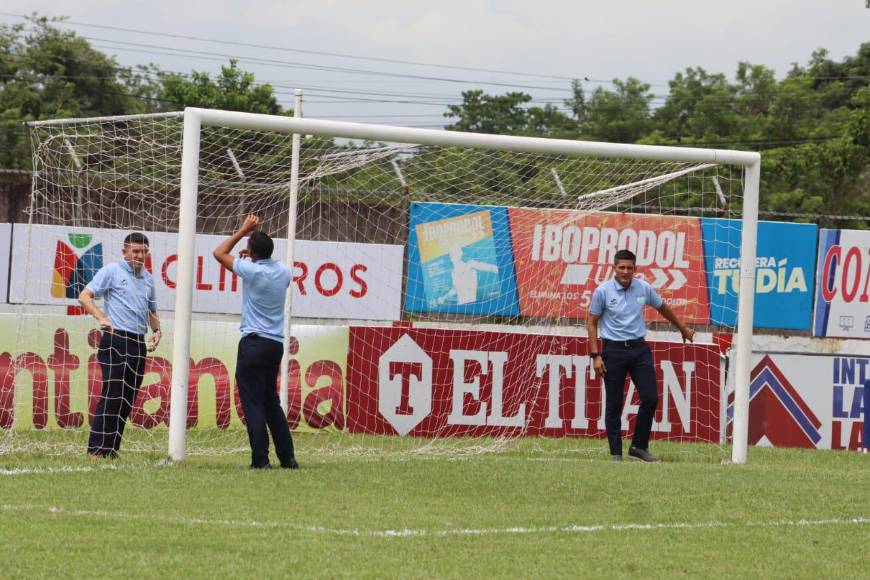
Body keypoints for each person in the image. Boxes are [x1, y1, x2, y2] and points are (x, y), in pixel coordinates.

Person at [587, 249, 695, 462]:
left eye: (629, 268)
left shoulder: (643, 288)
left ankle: (638, 447)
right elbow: (591, 323)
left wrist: (682, 328)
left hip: (639, 350)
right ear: (614, 268)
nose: (625, 272)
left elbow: (662, 307)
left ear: (635, 269)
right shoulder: (603, 291)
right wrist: (595, 355)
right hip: (613, 351)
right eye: (621, 268)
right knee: (614, 404)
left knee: (650, 397)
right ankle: (616, 453)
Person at [213, 215, 299, 469]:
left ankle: (260, 460)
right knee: (271, 401)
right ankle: (287, 457)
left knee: (253, 403)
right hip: (275, 344)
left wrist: (243, 230)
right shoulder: (284, 271)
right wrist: (251, 255)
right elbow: (263, 262)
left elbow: (219, 253)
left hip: (253, 343)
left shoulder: (251, 270)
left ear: (251, 252)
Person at [79, 232, 161, 460]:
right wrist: (101, 317)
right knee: (112, 395)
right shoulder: (112, 271)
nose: (139, 255)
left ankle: (111, 449)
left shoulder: (149, 279)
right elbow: (85, 296)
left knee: (127, 398)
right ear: (125, 251)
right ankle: (95, 450)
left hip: (138, 343)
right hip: (115, 340)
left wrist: (156, 330)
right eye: (135, 251)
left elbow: (152, 312)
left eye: (143, 251)